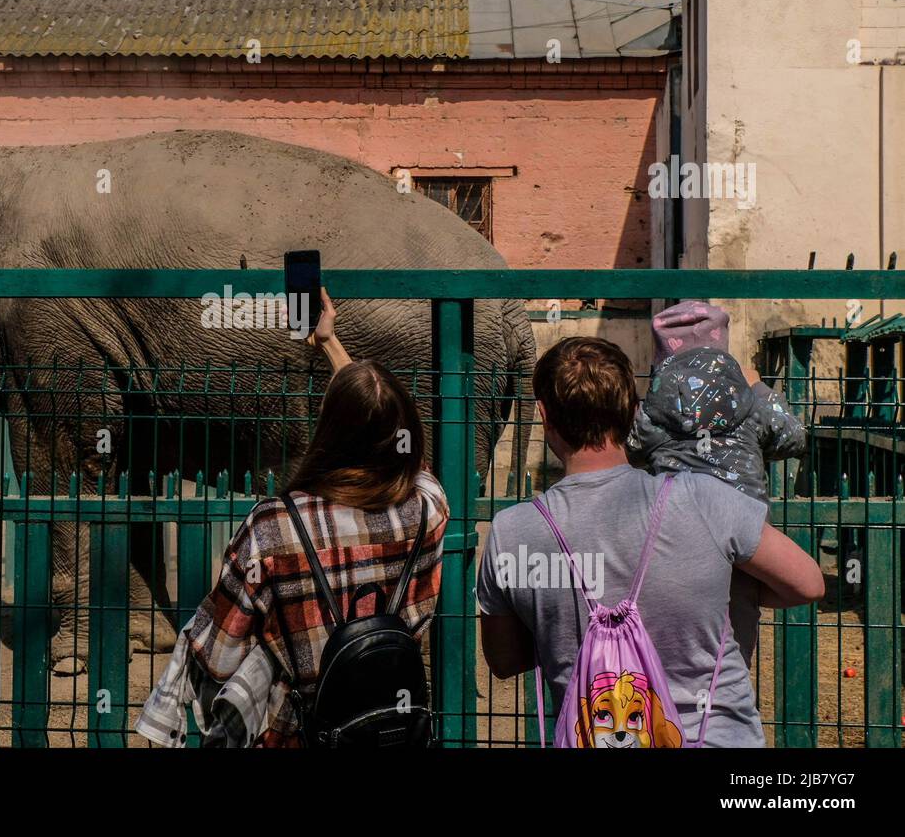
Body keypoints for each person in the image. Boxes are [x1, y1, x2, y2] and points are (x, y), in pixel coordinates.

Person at [138, 289, 449, 747]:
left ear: (329, 431)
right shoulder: (428, 508)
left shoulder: (275, 527)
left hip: (302, 734)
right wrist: (330, 342)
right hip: (391, 731)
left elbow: (219, 656)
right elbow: (387, 432)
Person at [477, 336, 824, 746]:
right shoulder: (704, 499)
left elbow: (504, 660)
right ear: (633, 412)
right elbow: (808, 584)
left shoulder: (512, 532)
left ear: (543, 414)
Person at [625, 300, 808, 666]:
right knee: (735, 646)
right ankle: (724, 701)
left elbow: (632, 448)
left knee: (669, 644)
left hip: (674, 543)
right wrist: (759, 388)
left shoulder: (655, 407)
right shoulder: (749, 400)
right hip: (743, 547)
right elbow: (793, 437)